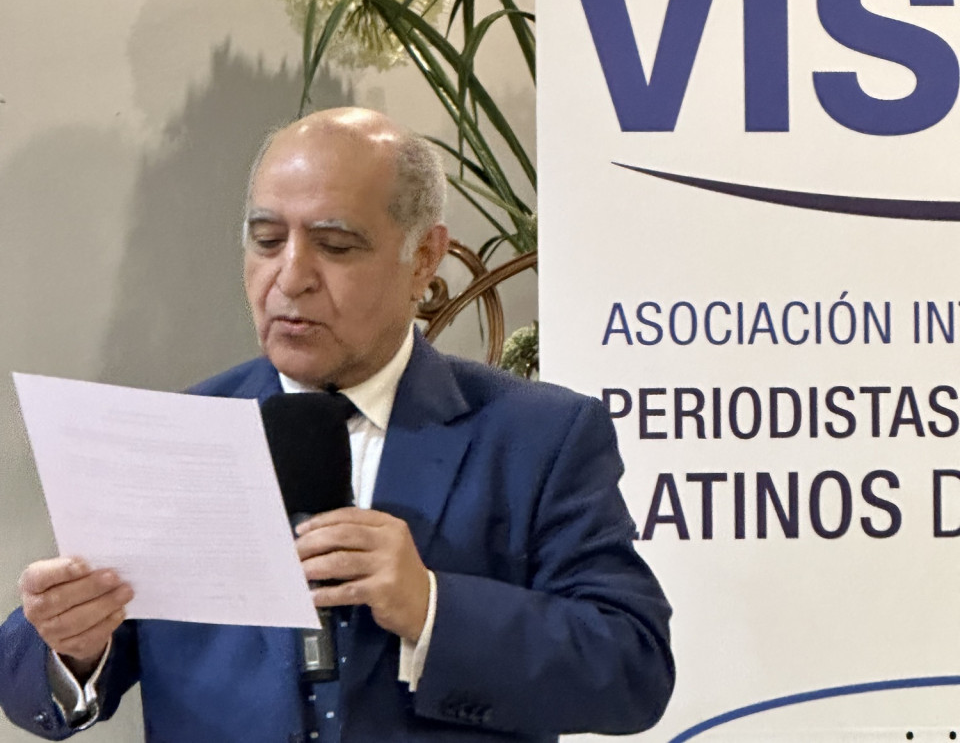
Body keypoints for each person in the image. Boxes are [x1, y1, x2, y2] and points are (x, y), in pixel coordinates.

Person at [0, 108, 674, 742]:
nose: (290, 278)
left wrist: (431, 606)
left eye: (335, 245)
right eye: (266, 241)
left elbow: (633, 669)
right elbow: (30, 690)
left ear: (423, 258)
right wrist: (71, 644)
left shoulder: (539, 436)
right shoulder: (178, 438)